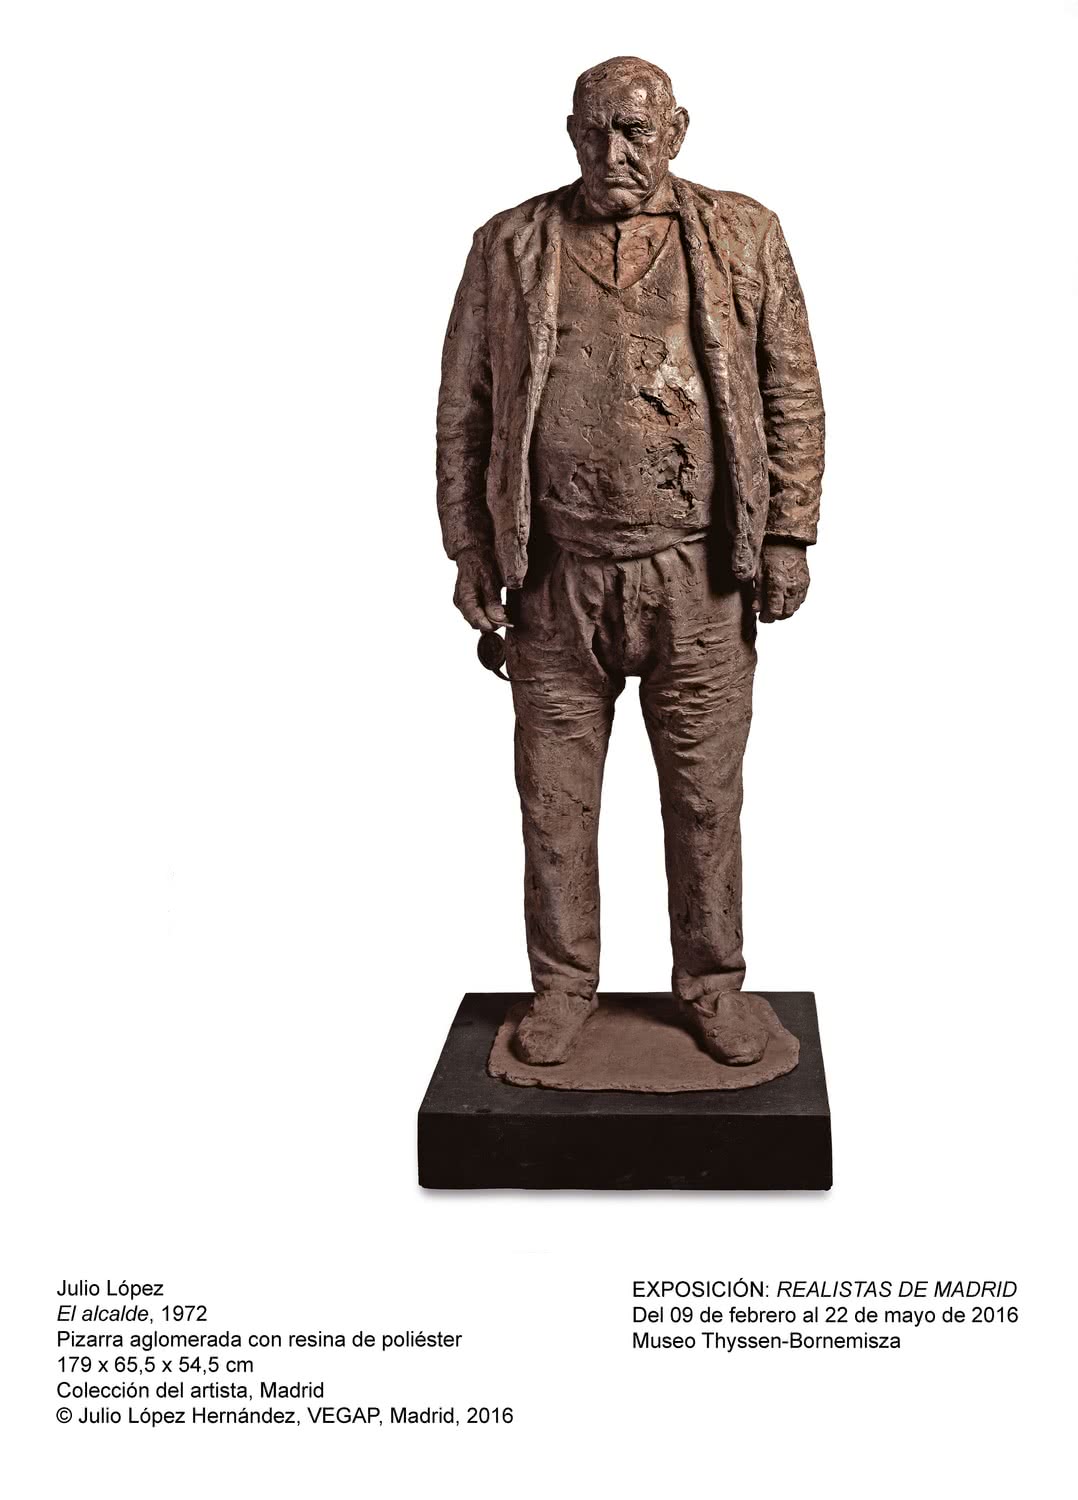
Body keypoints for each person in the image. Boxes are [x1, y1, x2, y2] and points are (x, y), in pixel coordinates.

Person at [437, 56, 824, 1067]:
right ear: (571, 133)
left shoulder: (743, 234)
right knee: (554, 801)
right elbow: (465, 408)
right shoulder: (509, 244)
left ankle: (713, 983)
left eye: (636, 132)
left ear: (677, 131)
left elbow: (789, 387)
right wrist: (469, 546)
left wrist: (788, 533)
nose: (613, 152)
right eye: (595, 131)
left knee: (705, 799)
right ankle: (563, 987)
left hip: (698, 577)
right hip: (553, 578)